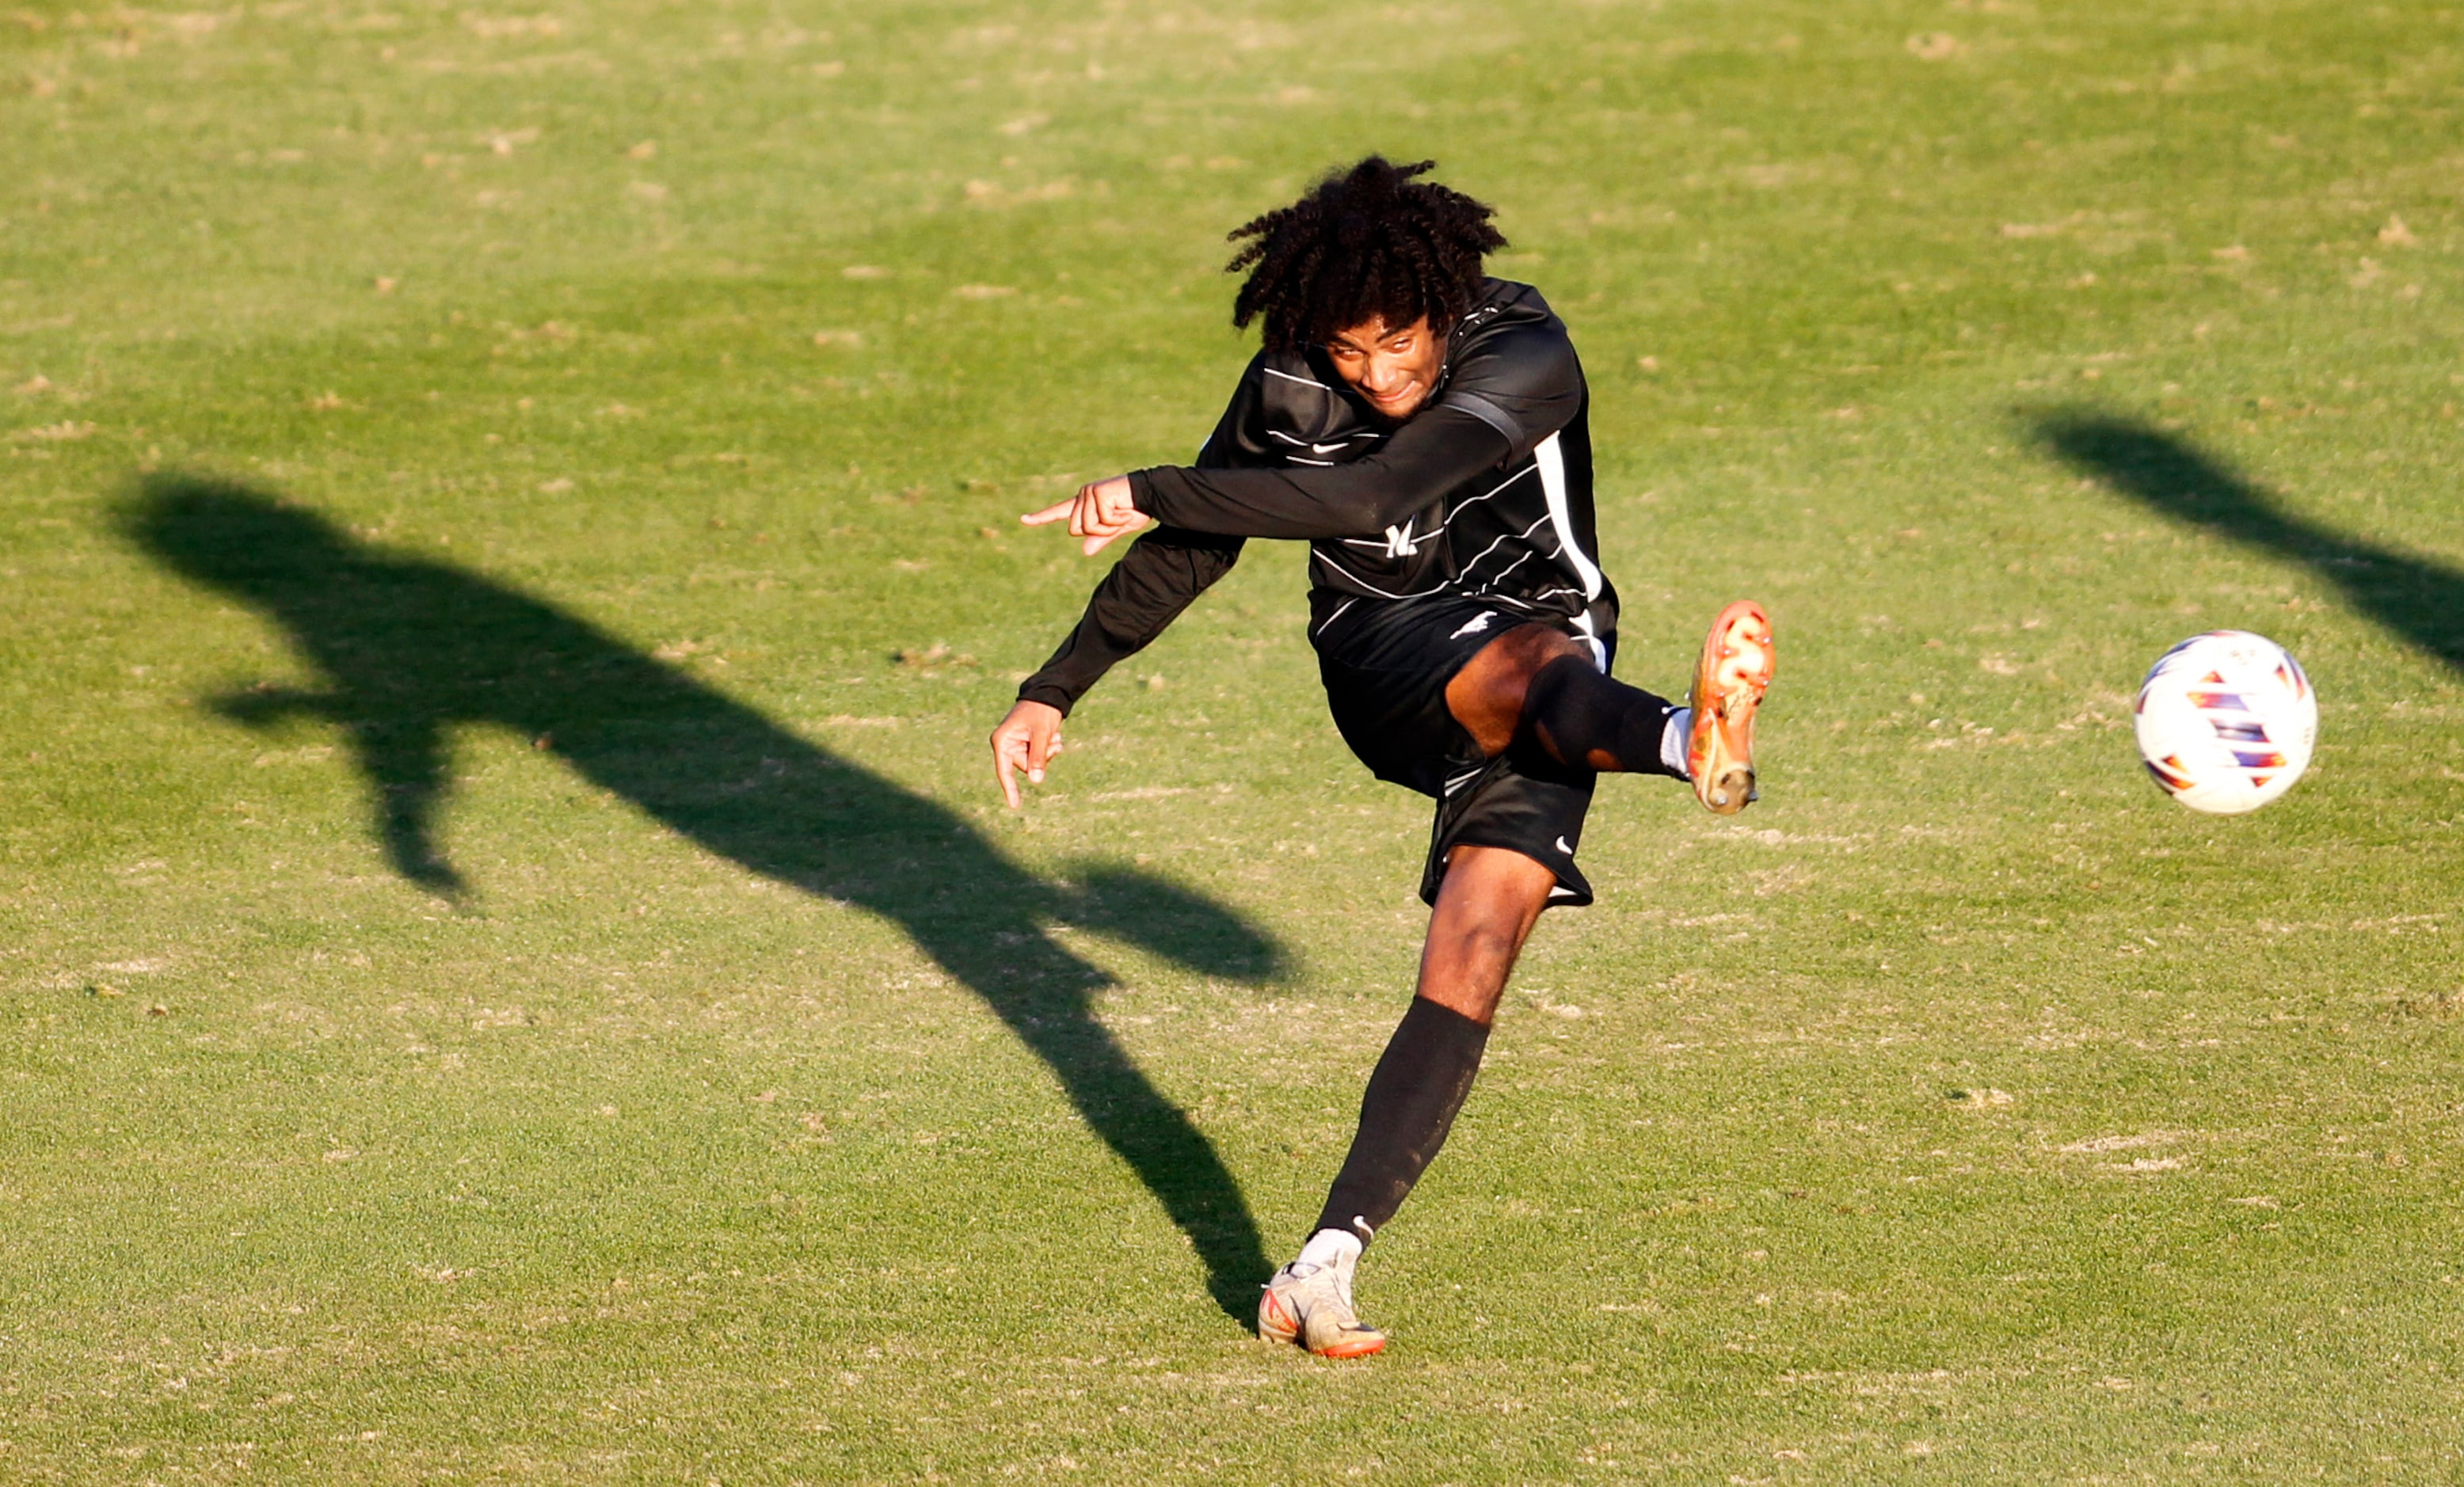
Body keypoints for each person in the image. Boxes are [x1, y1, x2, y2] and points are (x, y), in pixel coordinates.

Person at [988, 157, 1774, 1357]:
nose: (1377, 371)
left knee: (1471, 958)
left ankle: (1322, 1265)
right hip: (1389, 658)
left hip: (1554, 668)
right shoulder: (1291, 382)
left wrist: (1150, 483)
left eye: (1397, 340)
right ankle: (1682, 736)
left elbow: (1388, 486)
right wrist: (1056, 688)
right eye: (1349, 351)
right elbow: (1200, 543)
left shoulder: (1524, 348)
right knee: (1531, 665)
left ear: (1444, 307)